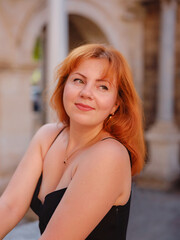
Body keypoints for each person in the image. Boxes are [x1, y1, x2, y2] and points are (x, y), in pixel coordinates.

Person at [0, 43, 145, 240]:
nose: (86, 93)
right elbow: (9, 206)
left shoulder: (109, 155)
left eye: (102, 86)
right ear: (64, 86)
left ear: (115, 105)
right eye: (78, 80)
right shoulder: (47, 136)